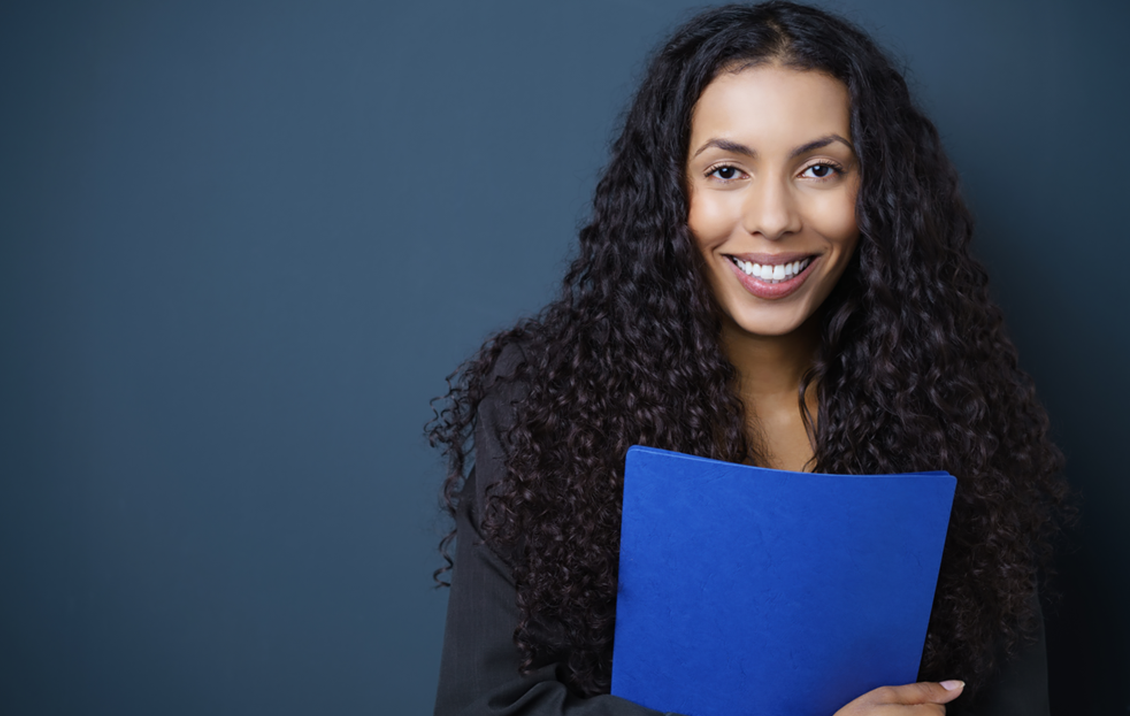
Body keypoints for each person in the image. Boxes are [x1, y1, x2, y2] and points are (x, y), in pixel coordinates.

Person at [427, 2, 1070, 714]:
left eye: (821, 168)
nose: (772, 218)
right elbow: (484, 706)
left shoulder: (948, 406)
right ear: (670, 194)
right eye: (727, 170)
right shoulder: (543, 403)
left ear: (878, 194)